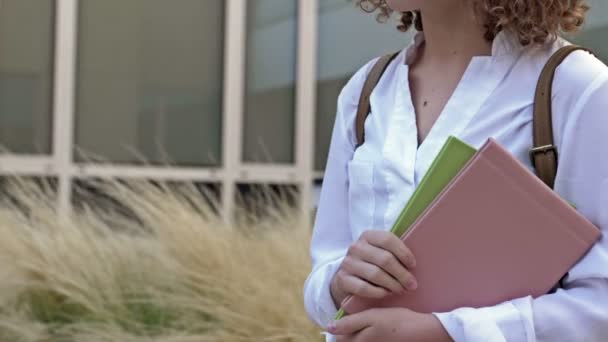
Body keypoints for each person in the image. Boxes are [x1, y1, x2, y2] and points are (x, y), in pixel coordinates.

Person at [303, 0, 608, 341]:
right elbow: (321, 280)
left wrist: (448, 332)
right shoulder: (366, 91)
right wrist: (338, 282)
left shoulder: (578, 88)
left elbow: (601, 305)